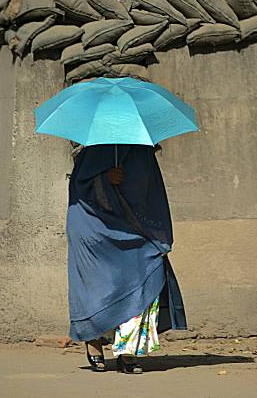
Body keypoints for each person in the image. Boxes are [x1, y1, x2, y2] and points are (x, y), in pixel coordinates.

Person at [66, 144, 187, 374]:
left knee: (143, 274)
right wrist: (102, 179)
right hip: (93, 227)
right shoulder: (92, 150)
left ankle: (128, 350)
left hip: (135, 226)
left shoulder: (142, 150)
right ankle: (93, 340)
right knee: (96, 287)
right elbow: (79, 188)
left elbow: (152, 194)